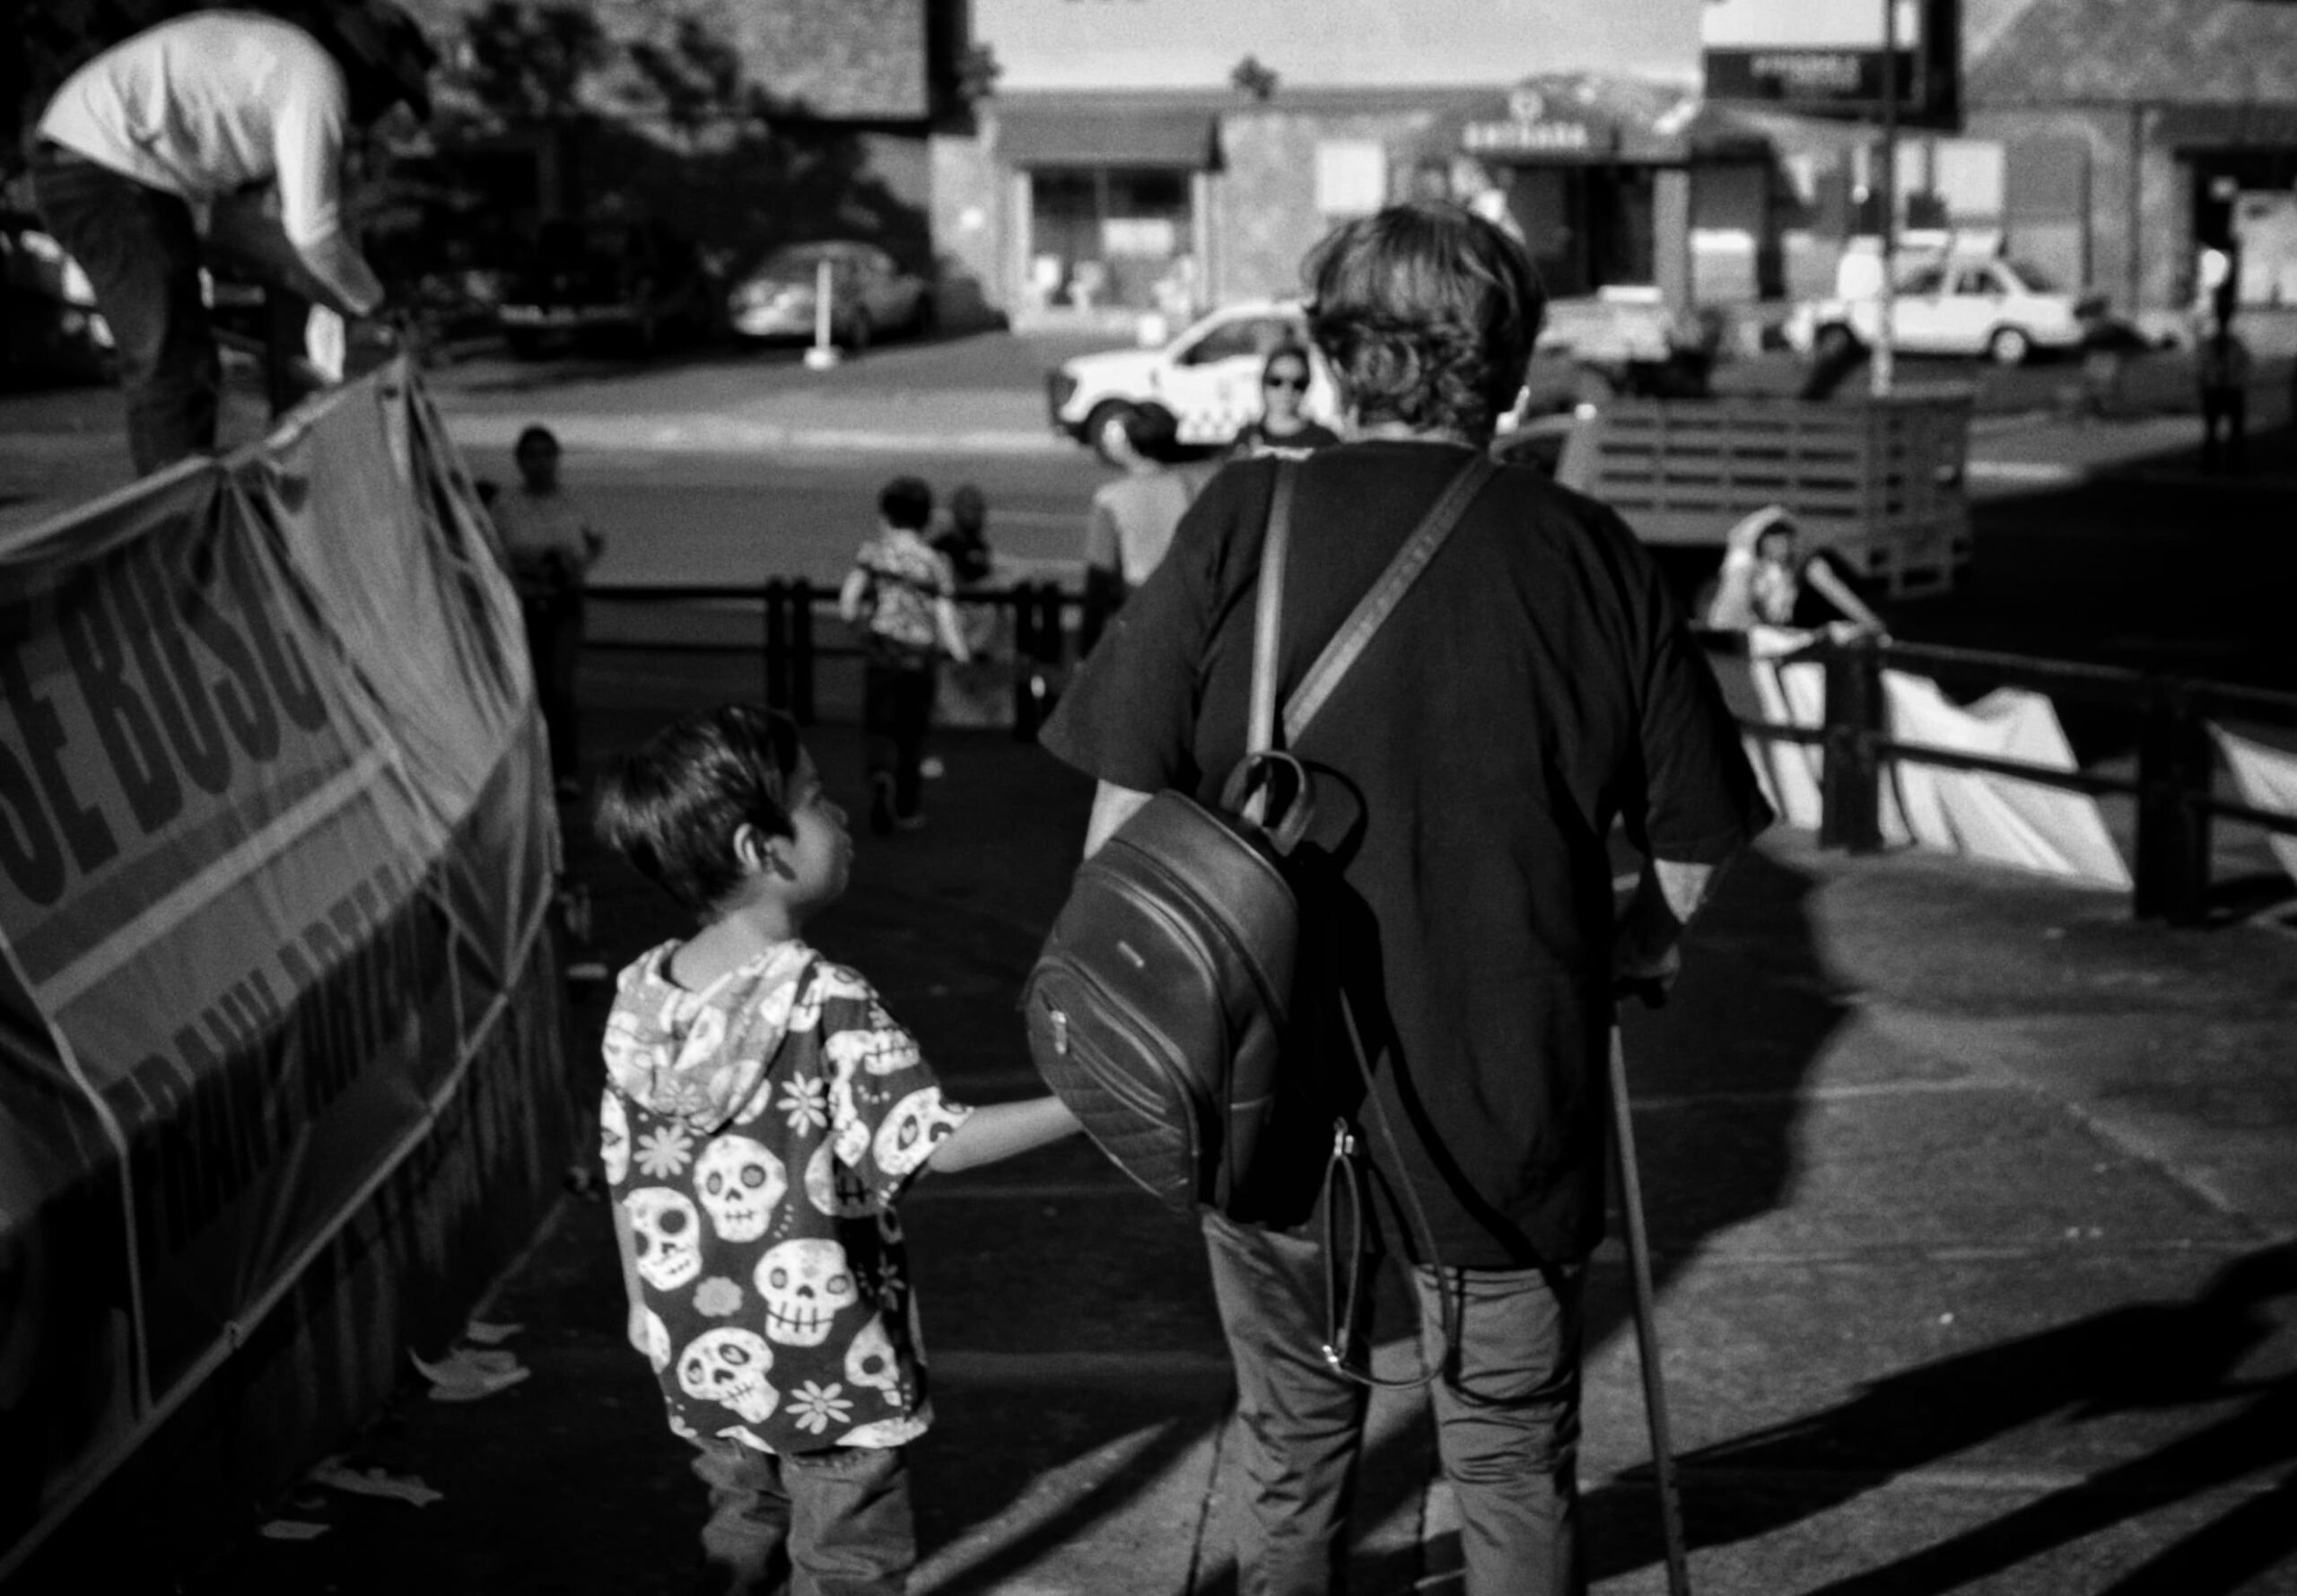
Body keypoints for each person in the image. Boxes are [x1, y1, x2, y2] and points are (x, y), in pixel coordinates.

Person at [1035, 200, 1770, 1596]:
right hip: (1506, 1097)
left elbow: (1118, 831)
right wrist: (1633, 946)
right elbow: (1692, 837)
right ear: (1510, 364)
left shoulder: (1245, 516)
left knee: (1291, 1443)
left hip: (1263, 1092)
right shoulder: (1586, 549)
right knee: (1508, 1457)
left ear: (1333, 352)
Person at [592, 702, 1079, 1596]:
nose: (841, 812)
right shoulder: (824, 1000)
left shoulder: (640, 998)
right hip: (831, 1368)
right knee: (846, 1565)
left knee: (741, 1530)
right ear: (760, 849)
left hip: (700, 1352)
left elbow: (631, 1176)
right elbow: (937, 1141)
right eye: (815, 798)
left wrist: (638, 1305)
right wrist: (1085, 1103)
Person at [30, 3, 435, 475]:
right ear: (375, 70)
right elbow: (313, 233)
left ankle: (213, 491)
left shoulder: (275, 68)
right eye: (386, 104)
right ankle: (180, 511)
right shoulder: (315, 77)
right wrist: (371, 305)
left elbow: (240, 231)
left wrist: (329, 293)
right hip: (104, 164)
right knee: (174, 360)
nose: (365, 125)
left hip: (99, 161)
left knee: (181, 356)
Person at [839, 475, 971, 833]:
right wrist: (961, 655)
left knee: (880, 726)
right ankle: (907, 808)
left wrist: (861, 631)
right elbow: (945, 615)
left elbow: (848, 602)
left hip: (883, 652)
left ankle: (881, 776)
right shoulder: (935, 561)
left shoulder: (873, 554)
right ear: (927, 518)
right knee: (912, 734)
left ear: (885, 516)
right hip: (920, 658)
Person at [492, 425, 606, 799]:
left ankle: (565, 769)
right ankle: (531, 771)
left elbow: (594, 541)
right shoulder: (506, 506)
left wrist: (576, 567)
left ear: (557, 459)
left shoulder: (572, 502)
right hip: (522, 605)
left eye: (546, 455)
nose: (540, 464)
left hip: (563, 605)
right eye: (532, 456)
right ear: (520, 461)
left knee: (559, 685)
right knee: (529, 687)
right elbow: (492, 551)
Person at [1080, 406, 1197, 650]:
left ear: (1130, 444)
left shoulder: (1110, 499)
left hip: (1137, 608)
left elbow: (1098, 578)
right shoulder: (1189, 490)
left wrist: (1086, 647)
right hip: (1185, 612)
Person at [1704, 506, 1887, 640]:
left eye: (1786, 540)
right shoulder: (1744, 565)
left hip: (1772, 636)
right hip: (1734, 639)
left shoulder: (1801, 564)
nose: (1782, 547)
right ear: (1761, 543)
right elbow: (1735, 608)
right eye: (1774, 541)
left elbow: (1836, 591)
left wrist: (1875, 627)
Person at [1229, 344, 1342, 460]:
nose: (1287, 391)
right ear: (1264, 382)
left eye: (1298, 384)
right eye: (1276, 381)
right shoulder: (1246, 438)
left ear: (1307, 386)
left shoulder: (1325, 441)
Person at [2197, 315, 2252, 475]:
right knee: (2218, 430)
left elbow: (2245, 363)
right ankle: (2221, 464)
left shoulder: (2228, 344)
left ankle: (2223, 464)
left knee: (2223, 430)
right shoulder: (2227, 344)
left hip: (2224, 389)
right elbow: (2202, 368)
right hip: (2221, 389)